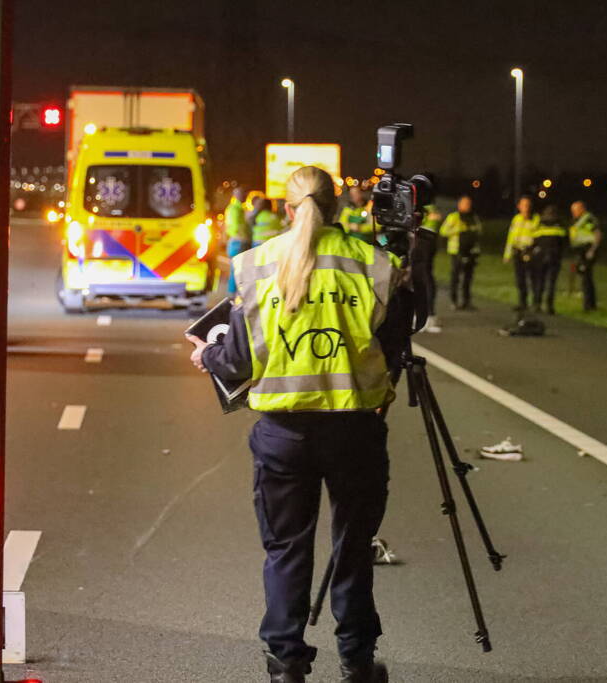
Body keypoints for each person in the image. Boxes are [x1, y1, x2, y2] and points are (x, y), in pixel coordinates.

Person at [188, 165, 407, 683]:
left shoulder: (256, 265)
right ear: (336, 206)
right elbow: (396, 346)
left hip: (284, 436)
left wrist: (208, 355)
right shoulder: (375, 265)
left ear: (287, 210)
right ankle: (357, 660)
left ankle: (286, 663)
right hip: (355, 430)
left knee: (287, 549)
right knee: (353, 547)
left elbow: (238, 362)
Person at [440, 195, 483, 310]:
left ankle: (466, 301)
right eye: (465, 203)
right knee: (455, 277)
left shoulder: (474, 217)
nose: (467, 206)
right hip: (456, 251)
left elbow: (479, 231)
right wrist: (459, 230)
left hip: (470, 252)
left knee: (468, 277)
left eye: (469, 204)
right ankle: (454, 301)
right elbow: (443, 231)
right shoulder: (453, 217)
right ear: (459, 205)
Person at [502, 196, 540, 311]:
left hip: (530, 253)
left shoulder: (536, 219)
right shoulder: (516, 219)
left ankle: (535, 303)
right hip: (517, 252)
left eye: (528, 205)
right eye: (523, 205)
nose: (526, 208)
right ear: (519, 207)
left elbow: (538, 237)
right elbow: (511, 238)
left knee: (533, 279)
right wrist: (507, 255)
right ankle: (522, 303)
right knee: (520, 279)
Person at [532, 205, 568, 315]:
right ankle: (549, 306)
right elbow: (565, 242)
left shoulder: (540, 224)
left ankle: (537, 304)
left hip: (541, 257)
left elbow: (534, 240)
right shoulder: (560, 225)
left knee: (540, 282)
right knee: (551, 283)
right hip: (554, 257)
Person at [568, 201, 602, 311]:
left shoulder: (587, 219)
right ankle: (590, 304)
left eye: (576, 210)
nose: (574, 213)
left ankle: (588, 305)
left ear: (582, 209)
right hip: (580, 250)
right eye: (572, 210)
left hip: (588, 250)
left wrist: (592, 250)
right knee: (584, 276)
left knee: (586, 277)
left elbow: (597, 233)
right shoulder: (576, 220)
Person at [414, 203, 443, 332]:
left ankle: (429, 315)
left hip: (424, 242)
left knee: (425, 277)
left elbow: (433, 224)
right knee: (414, 278)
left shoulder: (429, 207)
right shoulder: (410, 203)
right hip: (415, 242)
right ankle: (418, 314)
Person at [225, 187, 252, 296]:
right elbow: (236, 228)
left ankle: (234, 295)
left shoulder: (237, 208)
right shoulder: (236, 209)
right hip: (238, 243)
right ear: (236, 195)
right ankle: (232, 295)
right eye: (243, 194)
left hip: (237, 242)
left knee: (237, 269)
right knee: (237, 270)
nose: (245, 197)